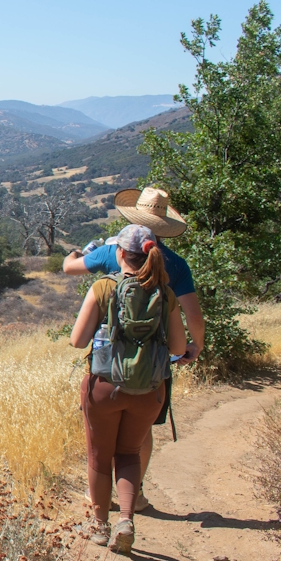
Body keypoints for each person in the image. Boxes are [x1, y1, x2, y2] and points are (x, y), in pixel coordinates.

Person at [63, 186, 205, 511]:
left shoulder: (109, 254)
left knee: (100, 448)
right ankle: (135, 497)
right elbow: (193, 316)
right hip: (152, 371)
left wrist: (74, 254)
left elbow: (69, 269)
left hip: (107, 372)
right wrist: (195, 347)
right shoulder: (176, 266)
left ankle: (101, 506)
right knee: (137, 439)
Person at [70, 223, 187, 554]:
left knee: (99, 455)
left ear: (119, 253)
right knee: (129, 453)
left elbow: (77, 340)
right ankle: (126, 519)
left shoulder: (104, 288)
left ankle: (98, 525)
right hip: (149, 389)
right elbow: (178, 346)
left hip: (104, 386)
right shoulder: (166, 294)